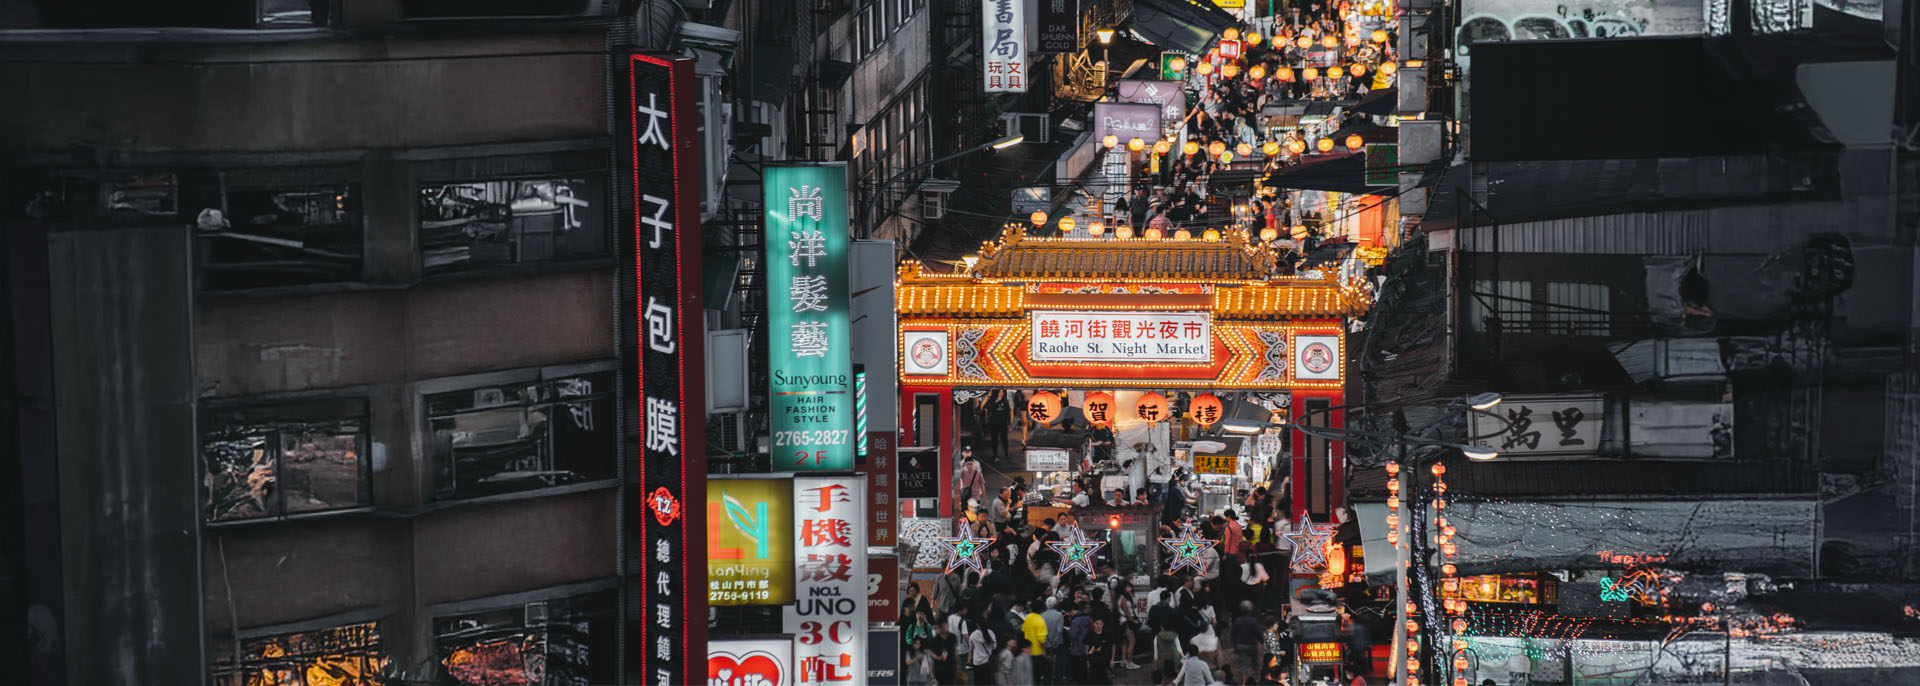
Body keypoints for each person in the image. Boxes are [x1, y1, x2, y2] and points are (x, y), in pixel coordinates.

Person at [1231, 601, 1264, 681]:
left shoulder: (1237, 621)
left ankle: (1243, 683)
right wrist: (1262, 642)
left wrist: (1234, 644)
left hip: (1241, 646)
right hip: (1252, 645)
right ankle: (1257, 680)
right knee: (1255, 664)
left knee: (1243, 666)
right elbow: (1259, 633)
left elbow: (1233, 634)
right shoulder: (1254, 621)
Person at [984, 390, 1012, 463]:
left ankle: (1006, 454)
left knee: (1004, 440)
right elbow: (989, 408)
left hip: (1003, 423)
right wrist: (996, 401)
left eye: (1002, 392)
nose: (1001, 394)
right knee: (994, 440)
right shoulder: (992, 400)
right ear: (996, 393)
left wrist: (1008, 423)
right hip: (994, 423)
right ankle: (995, 455)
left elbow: (1007, 412)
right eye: (999, 392)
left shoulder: (1005, 401)